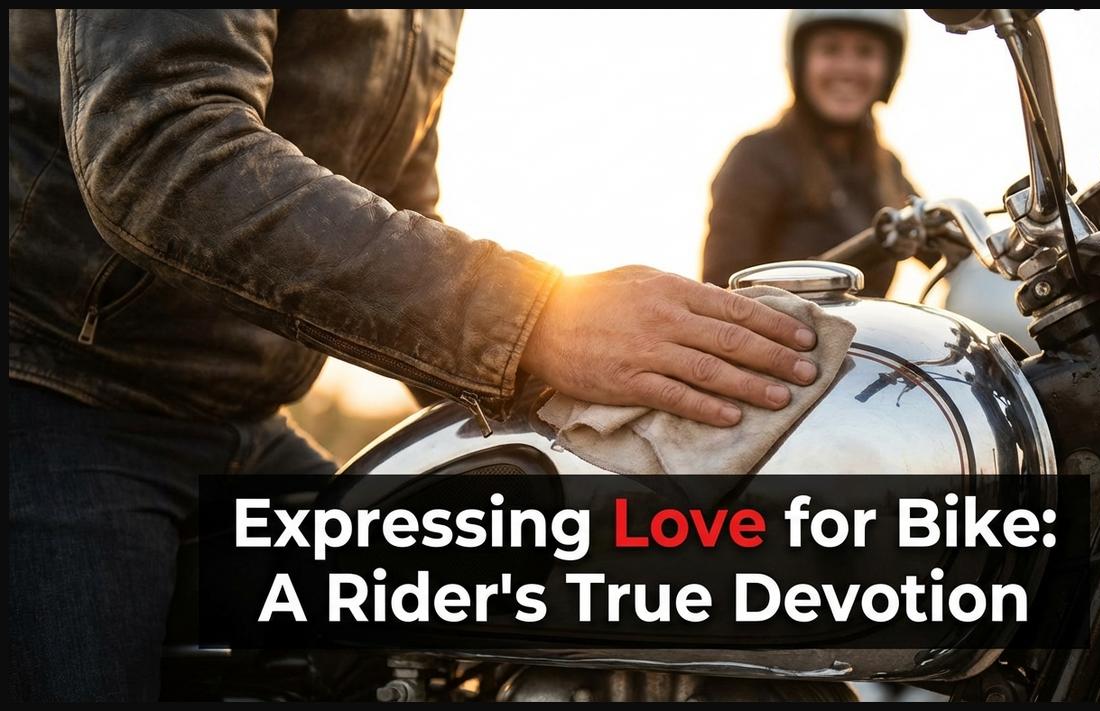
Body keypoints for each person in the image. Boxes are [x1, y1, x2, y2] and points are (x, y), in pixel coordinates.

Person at [8, 10, 821, 701]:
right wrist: (537, 317)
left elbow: (398, 200)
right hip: (54, 387)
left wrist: (580, 430)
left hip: (245, 420)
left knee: (579, 604)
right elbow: (162, 146)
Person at [701, 9, 932, 295]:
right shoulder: (758, 156)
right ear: (800, 60)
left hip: (873, 338)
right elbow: (718, 288)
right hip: (781, 339)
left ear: (889, 66)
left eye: (865, 51)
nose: (848, 68)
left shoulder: (886, 168)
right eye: (830, 49)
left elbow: (942, 240)